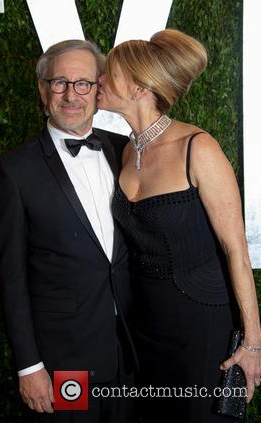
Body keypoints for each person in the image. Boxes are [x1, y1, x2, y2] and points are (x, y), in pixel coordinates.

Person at [97, 28, 261, 422]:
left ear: (138, 87)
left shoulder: (197, 148)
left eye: (109, 73)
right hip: (143, 323)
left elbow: (236, 251)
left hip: (198, 321)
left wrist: (253, 344)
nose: (98, 80)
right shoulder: (123, 152)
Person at [0, 39, 137, 423]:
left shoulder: (125, 150)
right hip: (64, 362)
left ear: (98, 89)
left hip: (132, 355)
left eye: (83, 84)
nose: (71, 95)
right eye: (60, 83)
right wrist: (29, 366)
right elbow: (13, 278)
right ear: (43, 90)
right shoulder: (15, 170)